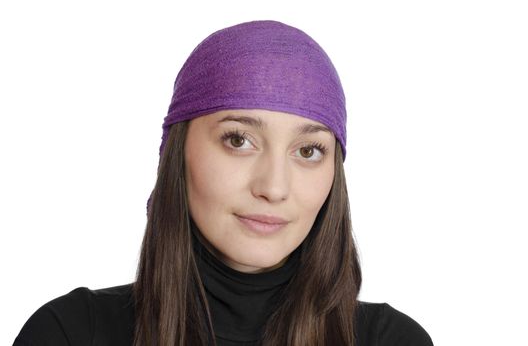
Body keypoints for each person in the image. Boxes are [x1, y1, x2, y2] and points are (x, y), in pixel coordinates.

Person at [13, 20, 433, 346]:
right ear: (177, 154)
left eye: (308, 151)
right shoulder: (69, 333)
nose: (274, 187)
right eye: (238, 140)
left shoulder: (392, 340)